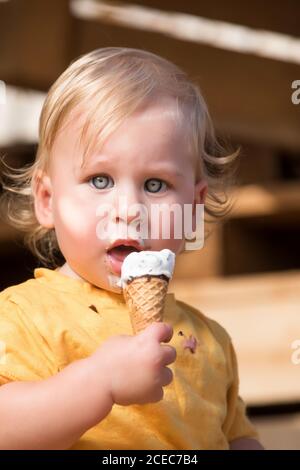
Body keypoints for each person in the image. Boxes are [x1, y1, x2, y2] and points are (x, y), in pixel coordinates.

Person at [0, 47, 263, 450]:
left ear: (193, 209)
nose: (129, 211)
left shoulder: (210, 341)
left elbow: (236, 438)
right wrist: (98, 384)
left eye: (155, 185)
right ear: (48, 199)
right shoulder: (24, 317)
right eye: (100, 180)